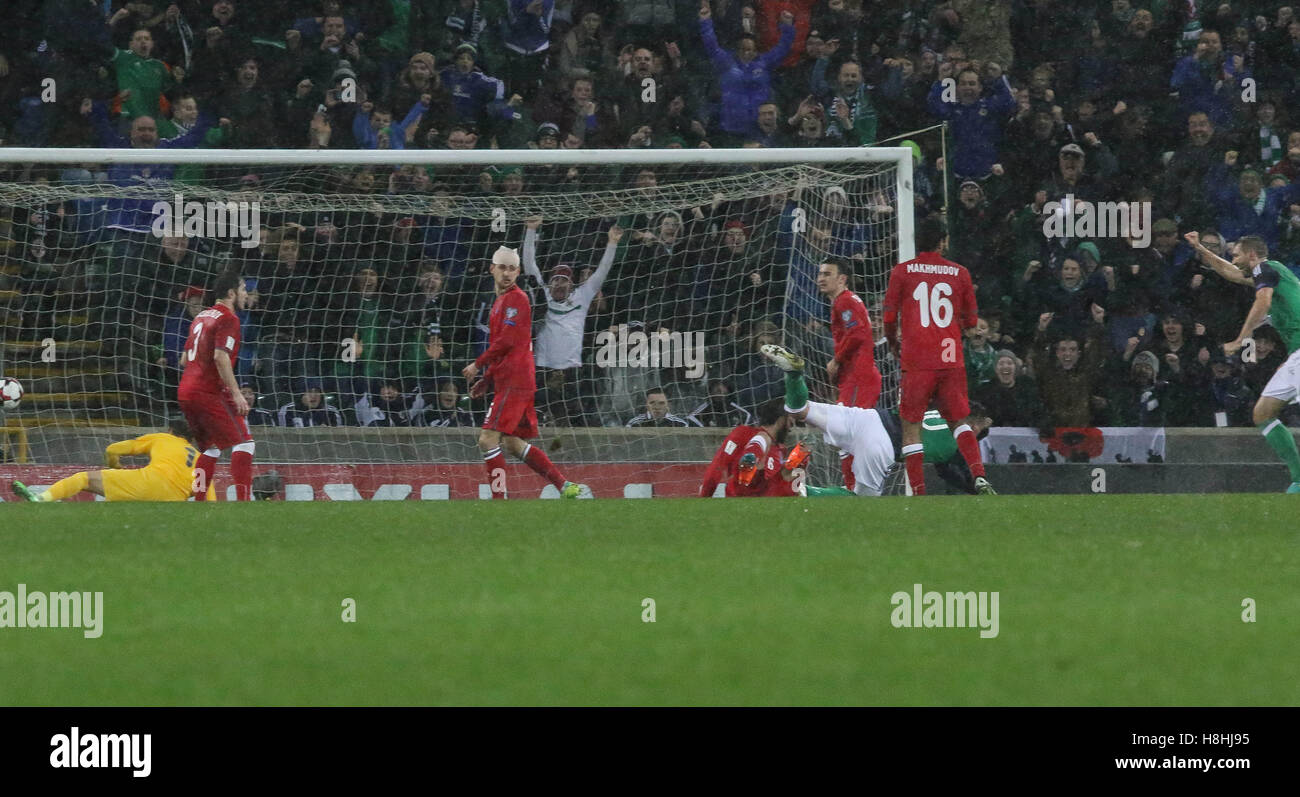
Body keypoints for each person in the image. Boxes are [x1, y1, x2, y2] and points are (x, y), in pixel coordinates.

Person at [461, 246, 587, 499]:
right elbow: (510, 346)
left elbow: (506, 341)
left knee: (487, 440)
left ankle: (499, 500)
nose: (507, 273)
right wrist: (487, 379)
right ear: (492, 269)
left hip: (516, 381)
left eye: (512, 269)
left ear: (518, 272)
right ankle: (566, 487)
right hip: (511, 379)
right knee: (511, 443)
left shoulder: (517, 299)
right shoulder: (499, 302)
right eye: (502, 267)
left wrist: (478, 365)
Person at [882, 217, 994, 496]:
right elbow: (970, 322)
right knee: (959, 421)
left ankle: (918, 491)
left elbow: (887, 317)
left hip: (916, 361)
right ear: (943, 241)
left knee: (911, 427)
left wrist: (895, 342)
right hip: (949, 359)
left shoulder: (901, 272)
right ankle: (979, 476)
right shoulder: (960, 273)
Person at [1187, 232, 1300, 492]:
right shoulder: (1270, 271)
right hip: (1296, 354)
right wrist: (1200, 249)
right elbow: (1230, 273)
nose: (1233, 258)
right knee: (1262, 413)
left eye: (1236, 254)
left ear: (1251, 255)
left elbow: (1263, 301)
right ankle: (1298, 478)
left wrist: (1242, 338)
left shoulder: (1264, 267)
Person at [759, 345, 897, 497]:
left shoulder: (850, 381)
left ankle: (794, 376)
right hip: (883, 437)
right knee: (863, 500)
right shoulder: (870, 376)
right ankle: (805, 493)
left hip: (865, 417)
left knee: (798, 409)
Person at [177, 271, 255, 501]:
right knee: (244, 443)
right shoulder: (229, 319)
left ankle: (199, 500)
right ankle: (244, 501)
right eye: (242, 290)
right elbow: (220, 357)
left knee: (210, 448)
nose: (245, 295)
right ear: (231, 293)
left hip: (186, 391)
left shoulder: (201, 316)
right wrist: (236, 393)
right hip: (208, 391)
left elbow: (184, 360)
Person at [13, 418, 213, 502]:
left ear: (170, 431)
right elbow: (206, 494)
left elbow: (112, 449)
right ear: (191, 440)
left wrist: (114, 466)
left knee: (83, 478)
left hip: (147, 483)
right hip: (174, 500)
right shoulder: (200, 458)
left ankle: (41, 499)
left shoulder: (163, 438)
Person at [818, 258, 882, 491]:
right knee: (848, 434)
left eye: (827, 274)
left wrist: (837, 359)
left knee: (847, 433)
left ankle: (854, 487)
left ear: (842, 279)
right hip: (858, 376)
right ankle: (854, 486)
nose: (821, 278)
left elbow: (858, 333)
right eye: (820, 274)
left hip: (859, 377)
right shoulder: (846, 301)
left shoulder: (844, 301)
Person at [727, 398, 802, 498]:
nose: (790, 428)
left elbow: (774, 482)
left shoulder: (778, 448)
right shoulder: (762, 438)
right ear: (781, 420)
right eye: (790, 423)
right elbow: (748, 461)